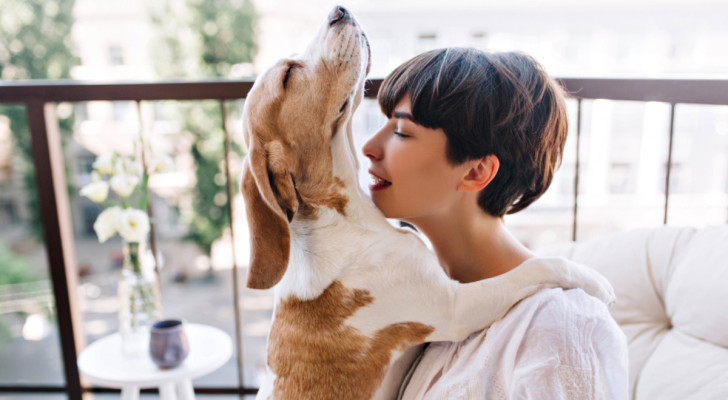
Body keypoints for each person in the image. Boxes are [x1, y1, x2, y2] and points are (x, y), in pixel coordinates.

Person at [361, 48, 628, 399]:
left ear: (476, 171)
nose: (369, 147)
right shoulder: (413, 304)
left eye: (402, 132)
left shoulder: (561, 326)